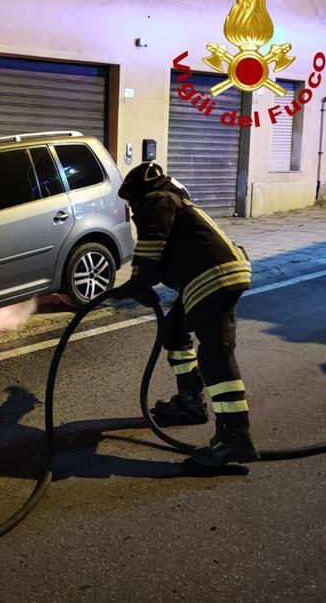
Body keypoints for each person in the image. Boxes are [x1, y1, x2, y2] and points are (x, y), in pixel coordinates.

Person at [112, 162, 258, 466]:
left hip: (212, 277)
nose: (132, 210)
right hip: (208, 277)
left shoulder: (158, 200)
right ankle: (190, 402)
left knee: (215, 355)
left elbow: (151, 250)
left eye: (131, 202)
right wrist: (137, 285)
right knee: (174, 331)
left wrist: (136, 283)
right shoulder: (177, 203)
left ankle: (235, 439)